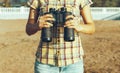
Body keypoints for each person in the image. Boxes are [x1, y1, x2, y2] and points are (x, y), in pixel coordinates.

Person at [26, 0, 95, 73]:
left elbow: (92, 27)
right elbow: (28, 30)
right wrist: (37, 26)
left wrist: (79, 26)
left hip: (73, 61)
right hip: (45, 61)